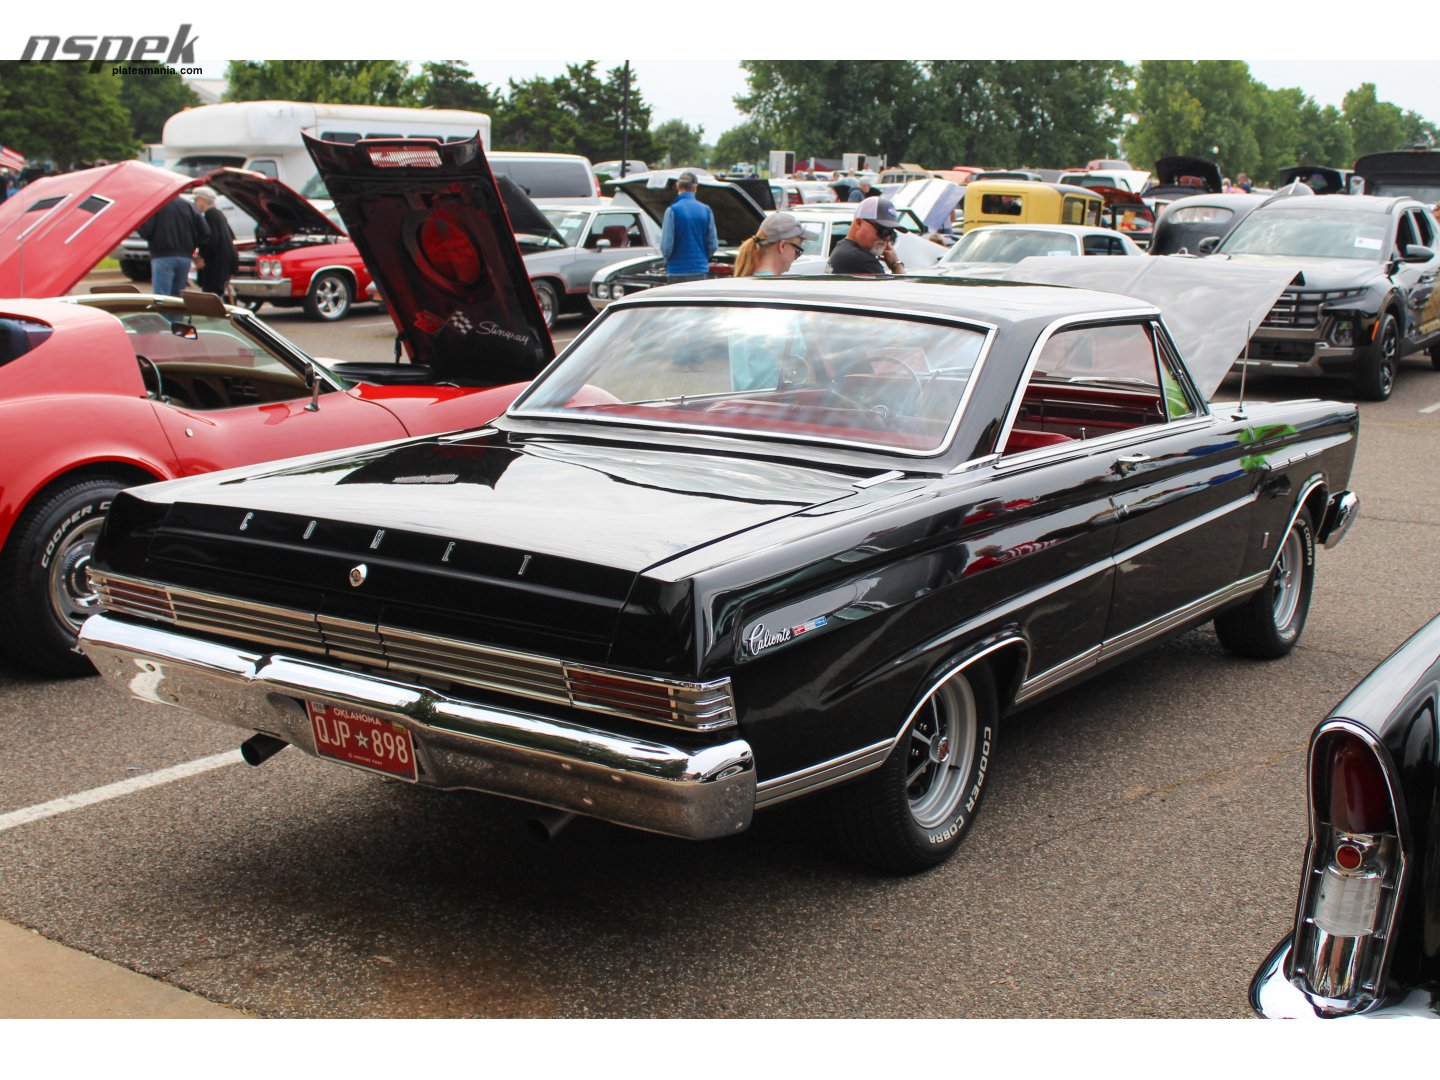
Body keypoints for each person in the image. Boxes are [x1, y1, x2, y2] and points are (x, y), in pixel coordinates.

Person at [139, 193, 209, 297]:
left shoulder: (157, 206)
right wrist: (193, 245)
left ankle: (163, 314)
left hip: (162, 255)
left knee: (161, 297)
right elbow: (205, 232)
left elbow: (146, 231)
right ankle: (176, 313)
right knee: (177, 297)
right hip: (185, 257)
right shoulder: (189, 206)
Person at [660, 171, 717, 284]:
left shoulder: (672, 210)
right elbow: (713, 244)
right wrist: (702, 259)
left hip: (676, 271)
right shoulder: (706, 210)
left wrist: (667, 261)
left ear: (677, 185)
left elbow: (667, 245)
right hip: (700, 270)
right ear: (695, 187)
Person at [829, 196, 906, 275]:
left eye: (891, 232)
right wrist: (897, 265)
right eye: (883, 230)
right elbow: (903, 287)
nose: (887, 238)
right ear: (859, 223)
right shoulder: (860, 260)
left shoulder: (843, 249)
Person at [732, 211, 812, 278]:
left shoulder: (744, 282)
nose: (796, 258)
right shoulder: (776, 288)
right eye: (797, 251)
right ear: (782, 246)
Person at [192, 186, 238, 300]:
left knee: (211, 295)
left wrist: (202, 257)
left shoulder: (210, 215)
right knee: (217, 293)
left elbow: (212, 240)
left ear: (202, 201)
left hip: (216, 263)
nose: (195, 204)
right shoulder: (219, 214)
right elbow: (231, 236)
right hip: (227, 260)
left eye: (196, 200)